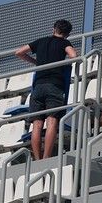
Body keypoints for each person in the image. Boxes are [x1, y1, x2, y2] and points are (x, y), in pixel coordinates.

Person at [15, 19, 78, 161]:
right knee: (52, 121)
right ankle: (47, 157)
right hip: (54, 85)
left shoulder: (41, 41)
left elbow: (19, 52)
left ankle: (37, 159)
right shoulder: (64, 43)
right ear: (67, 34)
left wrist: (35, 63)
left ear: (53, 29)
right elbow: (73, 56)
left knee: (36, 124)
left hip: (38, 86)